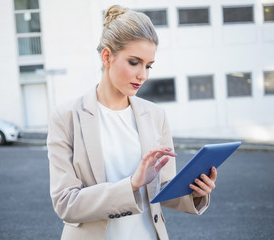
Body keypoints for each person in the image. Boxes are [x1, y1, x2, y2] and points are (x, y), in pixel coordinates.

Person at [47, 5, 217, 240]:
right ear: (107, 56)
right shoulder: (66, 117)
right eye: (134, 62)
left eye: (148, 66)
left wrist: (196, 191)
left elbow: (163, 190)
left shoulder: (156, 115)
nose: (143, 75)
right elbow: (66, 203)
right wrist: (132, 184)